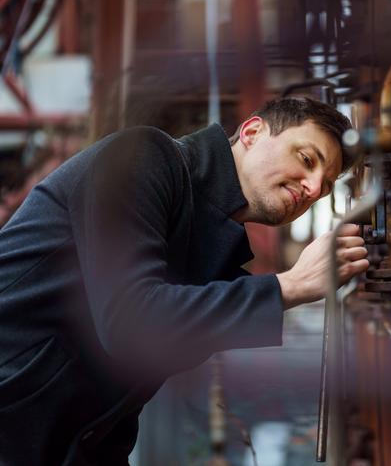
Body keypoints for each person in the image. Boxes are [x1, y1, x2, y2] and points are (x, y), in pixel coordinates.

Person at [0, 97, 369, 465]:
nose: (313, 187)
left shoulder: (209, 249)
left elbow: (118, 400)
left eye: (325, 187)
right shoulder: (141, 159)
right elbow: (130, 324)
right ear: (253, 132)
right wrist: (290, 286)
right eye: (306, 160)